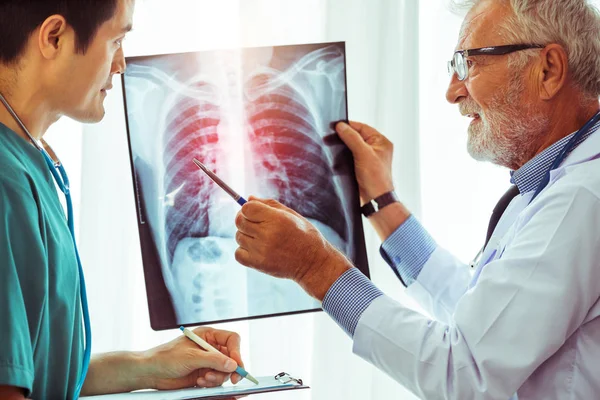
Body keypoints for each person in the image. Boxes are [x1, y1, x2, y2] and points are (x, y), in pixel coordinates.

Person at [233, 0, 600, 399]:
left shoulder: (582, 198)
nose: (452, 92)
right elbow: (489, 317)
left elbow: (464, 371)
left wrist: (314, 267)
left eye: (469, 63)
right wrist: (382, 203)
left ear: (548, 70)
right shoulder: (557, 185)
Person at [0, 1, 246, 399]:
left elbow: (42, 372)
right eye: (116, 40)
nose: (121, 64)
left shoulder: (26, 163)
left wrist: (147, 367)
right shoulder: (5, 183)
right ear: (54, 38)